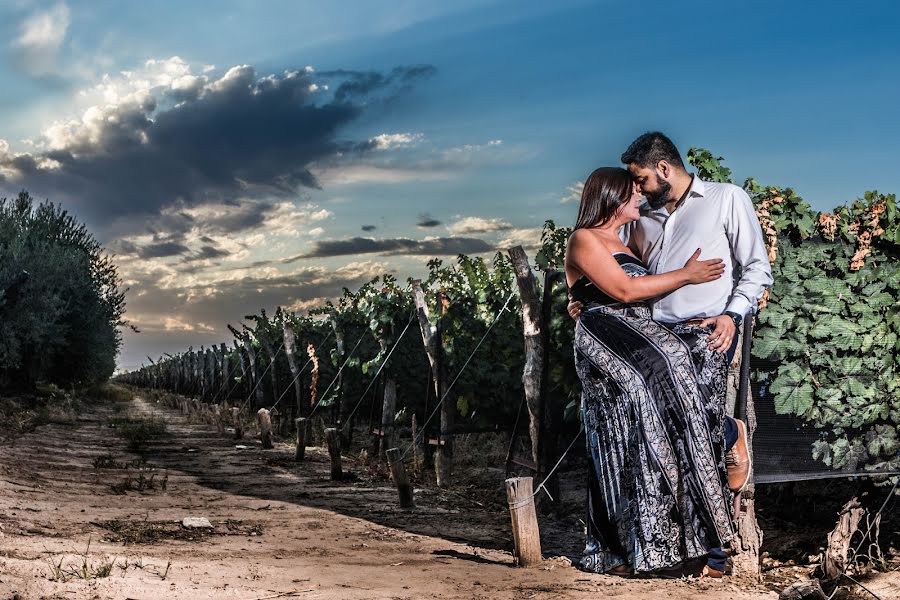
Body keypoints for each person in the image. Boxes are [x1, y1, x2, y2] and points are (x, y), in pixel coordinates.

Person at [569, 132, 773, 575]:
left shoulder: (726, 199)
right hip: (649, 338)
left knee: (688, 431)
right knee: (656, 441)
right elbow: (618, 282)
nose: (636, 191)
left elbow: (757, 268)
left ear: (663, 169)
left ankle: (714, 549)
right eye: (629, 187)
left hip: (705, 332)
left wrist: (732, 316)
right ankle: (672, 547)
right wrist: (581, 298)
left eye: (640, 180)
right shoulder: (639, 223)